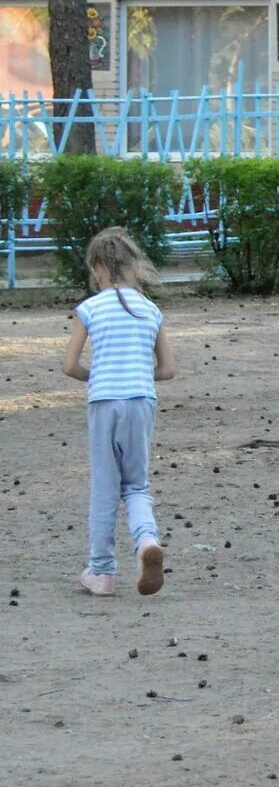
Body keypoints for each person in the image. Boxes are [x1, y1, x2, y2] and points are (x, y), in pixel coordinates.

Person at [61, 227, 176, 598]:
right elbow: (168, 370)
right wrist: (139, 374)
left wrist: (96, 377)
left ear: (97, 269)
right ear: (135, 267)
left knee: (105, 489)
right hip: (141, 402)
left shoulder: (90, 309)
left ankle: (102, 571)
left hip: (103, 403)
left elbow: (69, 365)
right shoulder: (151, 310)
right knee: (137, 485)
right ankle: (146, 542)